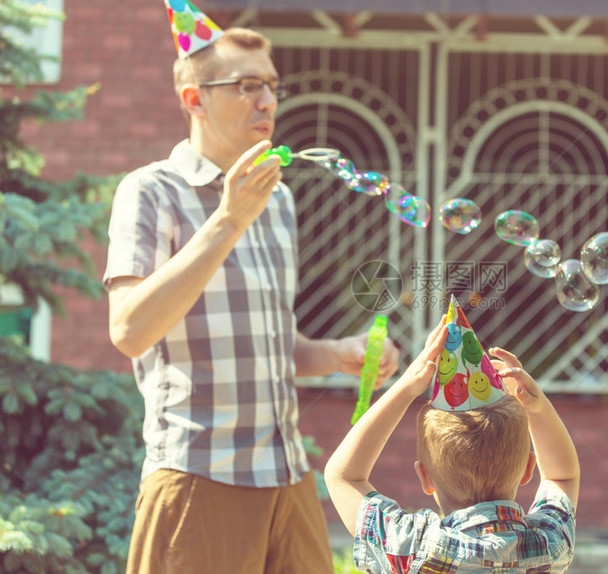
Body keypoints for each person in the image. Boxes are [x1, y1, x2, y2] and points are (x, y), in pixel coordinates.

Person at [103, 22, 400, 574]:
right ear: (195, 99)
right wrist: (227, 220)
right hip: (198, 477)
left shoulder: (278, 199)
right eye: (246, 85)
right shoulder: (150, 191)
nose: (267, 101)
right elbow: (129, 330)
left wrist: (339, 354)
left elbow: (273, 345)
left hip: (287, 478)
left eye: (271, 86)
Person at [324, 316, 579, 573]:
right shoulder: (549, 545)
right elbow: (561, 477)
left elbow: (343, 477)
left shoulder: (414, 549)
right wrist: (538, 407)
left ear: (425, 477)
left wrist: (406, 386)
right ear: (528, 467)